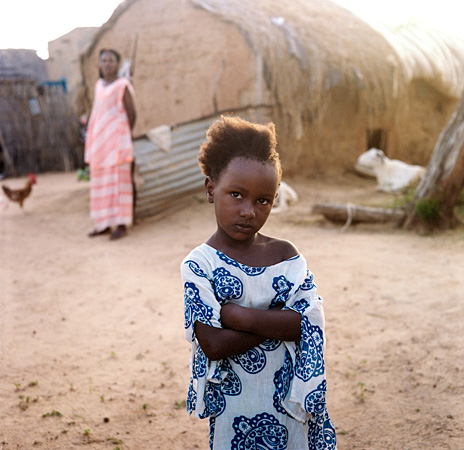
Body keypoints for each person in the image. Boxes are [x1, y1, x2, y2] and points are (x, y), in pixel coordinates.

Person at [180, 116, 336, 449]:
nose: (249, 211)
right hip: (235, 414)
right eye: (236, 194)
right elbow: (213, 344)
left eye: (263, 200)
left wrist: (237, 316)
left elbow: (307, 322)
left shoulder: (284, 254)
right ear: (211, 189)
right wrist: (276, 319)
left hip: (291, 411)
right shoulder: (199, 264)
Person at [84, 48, 137, 240]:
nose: (107, 63)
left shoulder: (123, 85)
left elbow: (132, 114)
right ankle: (103, 224)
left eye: (111, 60)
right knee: (101, 183)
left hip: (117, 145)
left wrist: (120, 135)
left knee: (118, 183)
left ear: (117, 64)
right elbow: (97, 113)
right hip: (100, 143)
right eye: (104, 60)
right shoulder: (99, 85)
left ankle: (121, 225)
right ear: (99, 64)